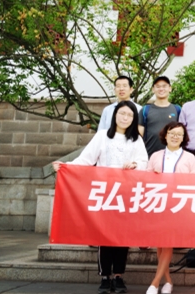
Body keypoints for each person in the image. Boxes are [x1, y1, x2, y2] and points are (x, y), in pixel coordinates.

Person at [52, 100, 147, 294]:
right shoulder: (102, 136)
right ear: (115, 115)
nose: (125, 118)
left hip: (125, 195)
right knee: (104, 235)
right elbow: (86, 159)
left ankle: (118, 276)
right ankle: (105, 276)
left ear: (134, 119)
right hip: (105, 193)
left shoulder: (136, 139)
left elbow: (143, 161)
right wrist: (66, 166)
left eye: (130, 115)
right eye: (122, 114)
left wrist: (135, 164)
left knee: (122, 236)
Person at [145, 122, 195, 294]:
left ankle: (154, 283)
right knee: (160, 244)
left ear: (183, 138)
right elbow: (146, 179)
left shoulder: (189, 158)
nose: (175, 137)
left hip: (178, 205)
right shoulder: (156, 155)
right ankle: (168, 281)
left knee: (167, 242)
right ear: (166, 135)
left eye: (179, 134)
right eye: (172, 133)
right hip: (158, 203)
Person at [139, 76, 182, 156]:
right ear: (153, 89)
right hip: (150, 156)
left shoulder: (177, 109)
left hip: (173, 156)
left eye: (164, 86)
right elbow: (140, 134)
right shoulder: (145, 110)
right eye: (158, 86)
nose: (161, 89)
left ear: (170, 88)